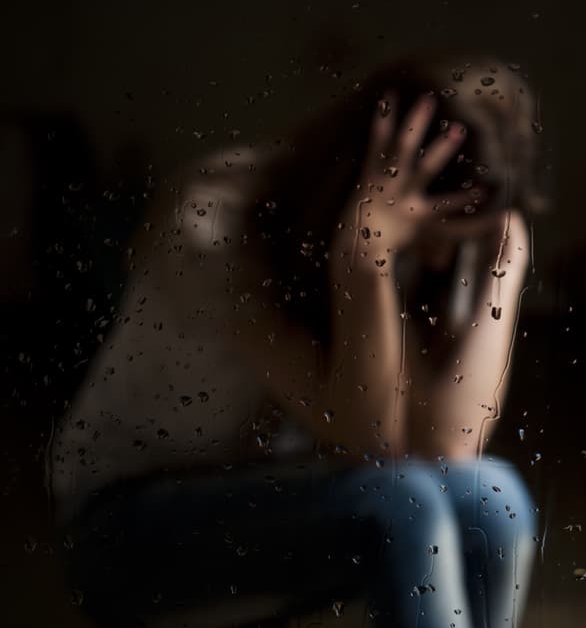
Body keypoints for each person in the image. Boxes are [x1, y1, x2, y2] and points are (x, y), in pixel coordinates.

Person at [52, 53, 548, 627]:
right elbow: (373, 444)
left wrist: (504, 269)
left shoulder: (422, 232)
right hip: (126, 531)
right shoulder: (212, 221)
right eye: (438, 236)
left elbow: (451, 445)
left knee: (494, 498)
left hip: (303, 505)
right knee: (404, 500)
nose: (440, 257)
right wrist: (364, 264)